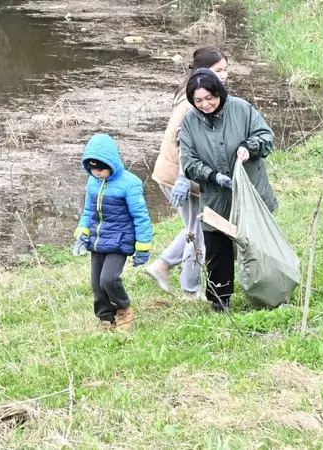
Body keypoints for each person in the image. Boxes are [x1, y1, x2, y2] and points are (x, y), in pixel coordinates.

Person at [179, 69, 277, 312]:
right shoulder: (190, 122)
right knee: (217, 248)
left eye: (209, 97)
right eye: (198, 100)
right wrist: (213, 176)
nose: (205, 105)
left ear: (218, 92)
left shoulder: (241, 109)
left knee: (256, 245)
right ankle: (220, 301)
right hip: (214, 195)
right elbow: (189, 162)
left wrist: (248, 146)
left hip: (249, 192)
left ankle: (269, 291)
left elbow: (266, 137)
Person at [146, 46, 229, 300]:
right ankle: (189, 290)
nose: (224, 75)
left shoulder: (192, 91)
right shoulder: (191, 102)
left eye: (225, 69)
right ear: (202, 72)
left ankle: (163, 266)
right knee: (199, 232)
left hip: (180, 175)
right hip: (180, 177)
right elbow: (185, 144)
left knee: (195, 227)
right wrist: (183, 178)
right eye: (218, 71)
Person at [72, 134, 153, 330]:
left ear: (112, 162)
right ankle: (105, 317)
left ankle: (123, 307)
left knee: (109, 279)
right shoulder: (93, 182)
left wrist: (143, 246)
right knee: (96, 284)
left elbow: (141, 216)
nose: (96, 172)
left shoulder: (130, 183)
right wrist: (82, 232)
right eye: (92, 168)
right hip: (98, 240)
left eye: (101, 168)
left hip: (120, 240)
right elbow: (88, 211)